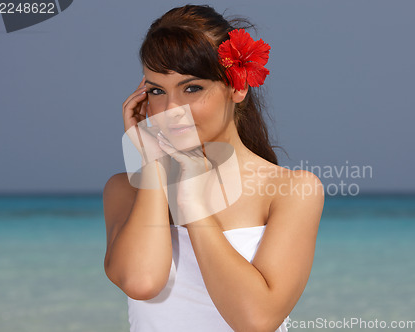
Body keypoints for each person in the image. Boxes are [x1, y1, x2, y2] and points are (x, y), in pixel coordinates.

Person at [103, 4, 324, 332]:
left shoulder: (291, 191)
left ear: (237, 87)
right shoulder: (125, 189)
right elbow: (142, 281)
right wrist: (152, 166)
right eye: (156, 91)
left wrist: (193, 205)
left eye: (192, 88)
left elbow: (256, 320)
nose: (171, 109)